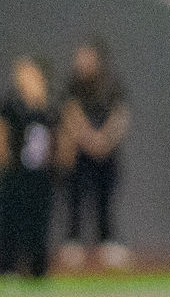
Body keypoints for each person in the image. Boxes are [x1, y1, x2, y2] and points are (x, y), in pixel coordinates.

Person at [60, 41, 131, 269]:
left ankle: (107, 241)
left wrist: (104, 139)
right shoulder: (73, 84)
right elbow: (70, 112)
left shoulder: (111, 84)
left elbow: (121, 115)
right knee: (76, 198)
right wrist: (89, 138)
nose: (82, 62)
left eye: (87, 56)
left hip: (107, 153)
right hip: (81, 153)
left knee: (105, 199)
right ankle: (73, 242)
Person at [0, 56, 62, 277]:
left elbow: (58, 138)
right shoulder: (12, 104)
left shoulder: (50, 105)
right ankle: (8, 268)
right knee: (10, 220)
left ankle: (37, 269)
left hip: (41, 175)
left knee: (38, 222)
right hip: (16, 171)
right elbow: (4, 134)